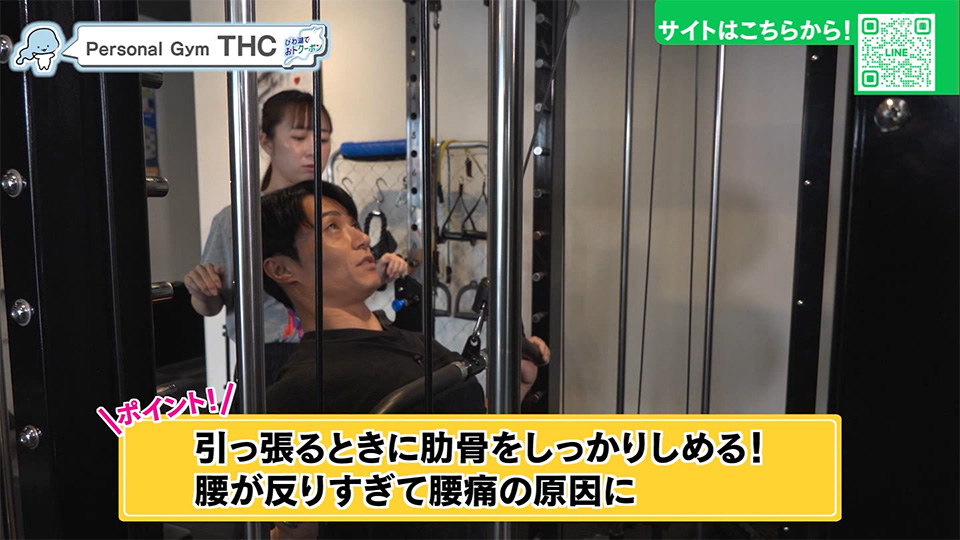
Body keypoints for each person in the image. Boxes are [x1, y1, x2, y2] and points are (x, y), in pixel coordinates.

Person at [261, 180, 549, 539]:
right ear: (282, 269)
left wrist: (514, 391)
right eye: (332, 227)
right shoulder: (301, 388)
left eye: (354, 224)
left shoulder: (418, 343)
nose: (362, 237)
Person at [183, 91, 410, 385]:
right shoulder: (238, 219)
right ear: (266, 142)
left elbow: (339, 286)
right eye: (299, 138)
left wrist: (377, 271)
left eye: (323, 139)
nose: (313, 150)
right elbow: (211, 305)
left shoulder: (334, 205)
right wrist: (202, 291)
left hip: (339, 349)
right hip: (270, 361)